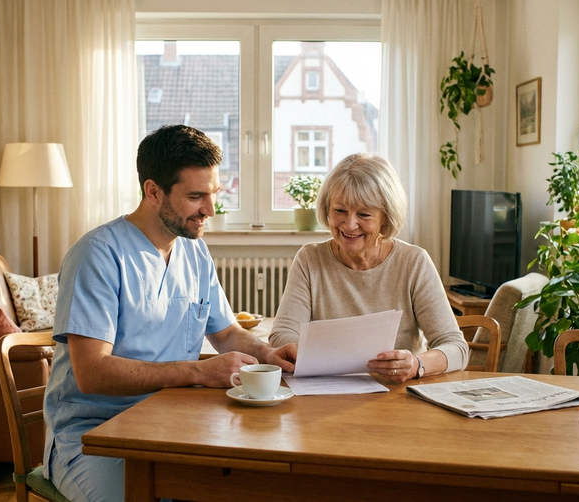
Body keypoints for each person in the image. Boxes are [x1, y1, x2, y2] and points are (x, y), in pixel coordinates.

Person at [43, 124, 297, 502]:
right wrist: (198, 371)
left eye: (212, 194)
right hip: (94, 434)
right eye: (196, 197)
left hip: (173, 423)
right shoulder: (97, 255)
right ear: (153, 191)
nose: (209, 210)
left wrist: (267, 354)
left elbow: (226, 333)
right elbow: (91, 372)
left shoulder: (193, 252)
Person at [269, 153, 467, 381]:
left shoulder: (414, 262)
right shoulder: (309, 259)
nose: (350, 224)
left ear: (386, 216)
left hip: (394, 397)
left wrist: (417, 364)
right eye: (339, 210)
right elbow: (281, 335)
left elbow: (456, 348)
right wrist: (310, 355)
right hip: (324, 393)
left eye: (364, 214)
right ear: (327, 208)